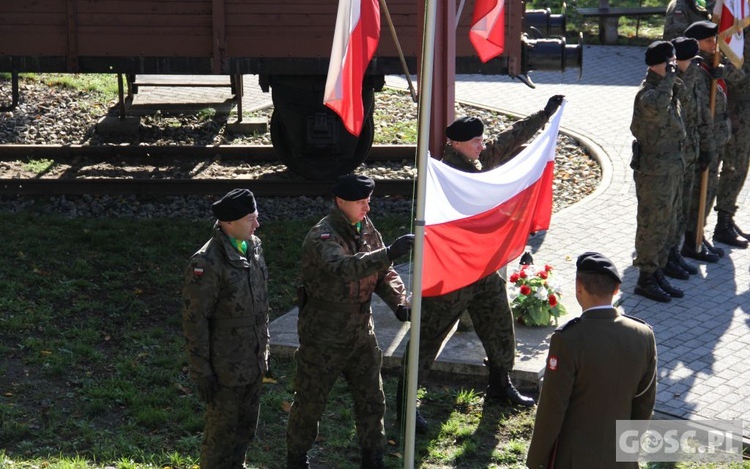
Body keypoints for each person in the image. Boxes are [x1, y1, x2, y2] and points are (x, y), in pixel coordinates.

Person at [397, 95, 565, 432]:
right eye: (475, 141)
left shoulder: (477, 162)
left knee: (500, 327)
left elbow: (509, 139)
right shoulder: (444, 175)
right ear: (456, 144)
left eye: (481, 140)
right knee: (427, 339)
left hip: (484, 272)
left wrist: (544, 115)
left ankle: (500, 383)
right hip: (452, 275)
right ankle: (405, 403)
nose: (482, 146)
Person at [286, 174, 414, 469]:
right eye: (360, 202)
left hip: (361, 332)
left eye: (368, 201)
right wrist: (388, 253)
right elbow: (343, 268)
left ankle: (373, 456)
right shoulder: (323, 235)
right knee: (310, 401)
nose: (367, 208)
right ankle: (297, 457)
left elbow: (384, 273)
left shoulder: (366, 228)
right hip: (324, 335)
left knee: (372, 398)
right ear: (340, 201)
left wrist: (399, 303)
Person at [526, 252, 657, 469]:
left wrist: (535, 462)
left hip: (573, 459)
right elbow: (644, 402)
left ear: (579, 286)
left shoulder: (567, 339)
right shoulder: (643, 335)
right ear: (616, 289)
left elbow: (552, 409)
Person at [182, 188, 270, 469]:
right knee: (220, 438)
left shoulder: (253, 246)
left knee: (245, 429)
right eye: (250, 219)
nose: (257, 224)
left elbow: (261, 305)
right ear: (228, 223)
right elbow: (195, 319)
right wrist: (202, 371)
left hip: (252, 361)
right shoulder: (206, 262)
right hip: (225, 367)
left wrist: (264, 351)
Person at [630, 40, 687, 303]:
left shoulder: (667, 87)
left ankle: (658, 271)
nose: (674, 66)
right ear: (658, 64)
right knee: (652, 225)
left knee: (668, 222)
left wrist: (673, 78)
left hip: (671, 168)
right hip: (654, 172)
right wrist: (670, 79)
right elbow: (660, 105)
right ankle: (645, 278)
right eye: (670, 62)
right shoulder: (647, 94)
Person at [683, 20, 744, 257]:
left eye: (714, 40)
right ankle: (691, 237)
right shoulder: (694, 70)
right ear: (695, 43)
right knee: (698, 190)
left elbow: (739, 75)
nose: (713, 45)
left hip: (717, 138)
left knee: (709, 190)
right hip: (702, 142)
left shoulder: (715, 64)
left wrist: (724, 71)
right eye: (708, 41)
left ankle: (700, 233)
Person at [667, 36, 706, 279]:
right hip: (674, 157)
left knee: (682, 210)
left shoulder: (689, 77)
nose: (695, 65)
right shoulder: (672, 83)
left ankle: (676, 252)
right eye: (691, 60)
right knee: (671, 213)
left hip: (689, 152)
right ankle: (667, 257)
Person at [714, 28, 750, 248]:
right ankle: (722, 222)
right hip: (739, 110)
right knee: (734, 165)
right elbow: (732, 70)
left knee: (741, 164)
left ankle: (727, 216)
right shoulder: (738, 28)